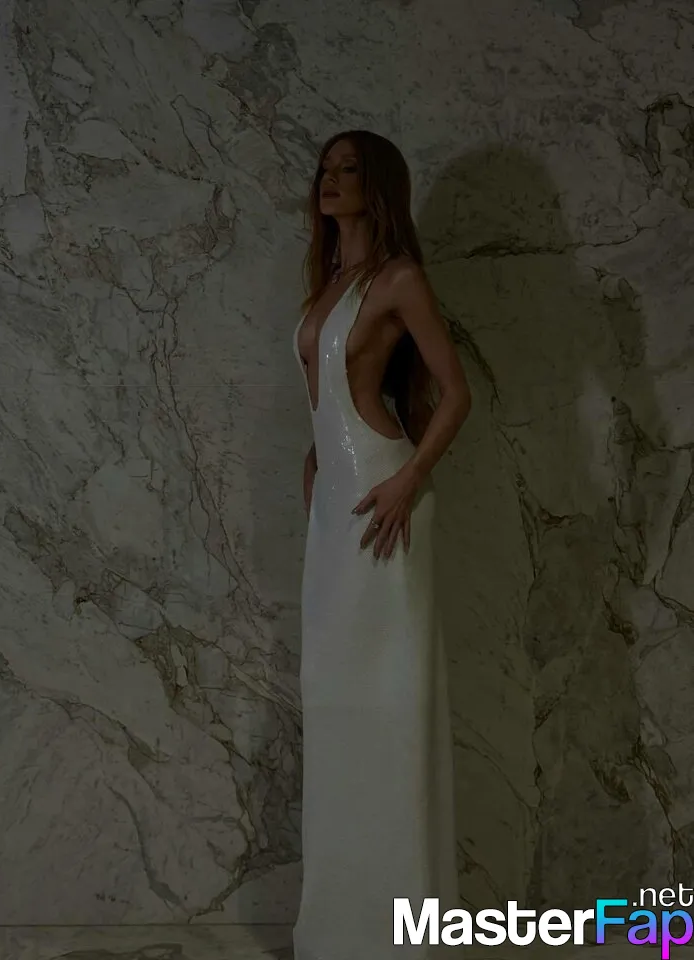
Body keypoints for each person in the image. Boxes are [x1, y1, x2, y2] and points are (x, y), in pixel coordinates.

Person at [291, 130, 471, 959]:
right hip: (336, 502)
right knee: (335, 701)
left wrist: (410, 478)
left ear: (379, 185)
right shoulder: (326, 283)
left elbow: (456, 393)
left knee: (391, 701)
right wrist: (313, 461)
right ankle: (341, 927)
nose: (330, 181)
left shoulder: (398, 280)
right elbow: (325, 397)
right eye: (325, 170)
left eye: (348, 169)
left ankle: (403, 936)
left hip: (383, 498)